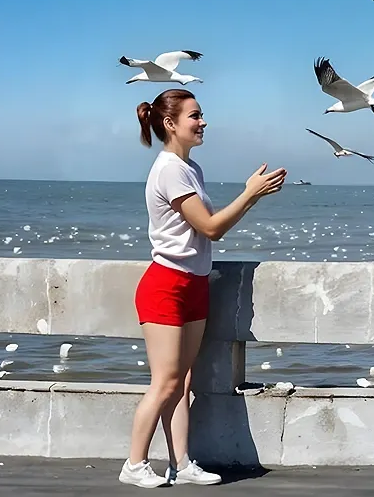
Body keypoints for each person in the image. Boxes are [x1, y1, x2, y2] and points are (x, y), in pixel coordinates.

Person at [121, 88, 286, 488]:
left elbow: (209, 230)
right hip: (166, 285)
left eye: (201, 114)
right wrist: (250, 194)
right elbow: (211, 227)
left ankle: (181, 463)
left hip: (194, 283)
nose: (203, 122)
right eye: (195, 115)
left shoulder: (189, 167)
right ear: (169, 123)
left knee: (183, 382)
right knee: (165, 382)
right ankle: (134, 464)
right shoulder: (170, 170)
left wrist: (250, 197)